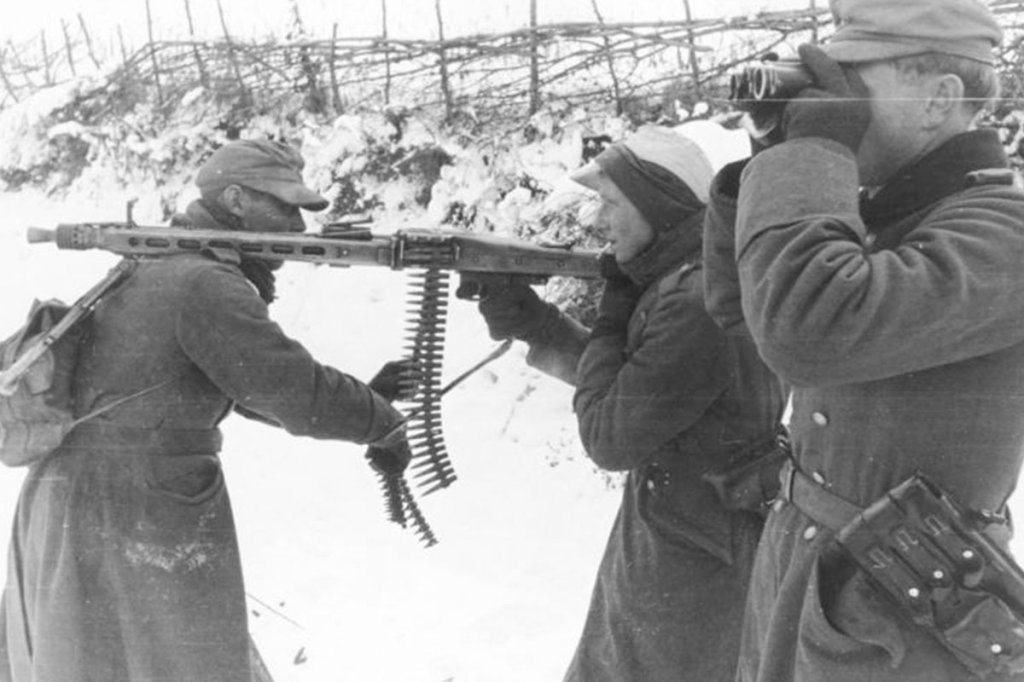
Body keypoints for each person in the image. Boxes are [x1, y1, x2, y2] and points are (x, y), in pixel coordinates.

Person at [0, 139, 413, 682]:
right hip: (132, 504)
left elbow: (239, 384)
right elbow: (293, 392)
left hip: (84, 499)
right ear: (237, 200)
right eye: (285, 207)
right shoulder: (203, 281)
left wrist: (364, 398)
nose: (298, 227)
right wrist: (382, 423)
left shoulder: (163, 263)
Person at [727, 1, 1024, 680]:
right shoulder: (879, 213)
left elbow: (807, 330)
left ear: (939, 100)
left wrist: (811, 152)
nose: (837, 102)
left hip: (905, 609)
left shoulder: (1007, 230)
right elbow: (740, 314)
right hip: (809, 575)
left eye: (852, 84)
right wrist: (779, 156)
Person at [477, 125, 786, 682]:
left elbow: (610, 436)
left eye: (612, 203)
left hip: (697, 550)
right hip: (689, 525)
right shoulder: (686, 282)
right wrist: (540, 326)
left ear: (658, 207)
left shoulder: (695, 304)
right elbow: (643, 393)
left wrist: (613, 314)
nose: (597, 221)